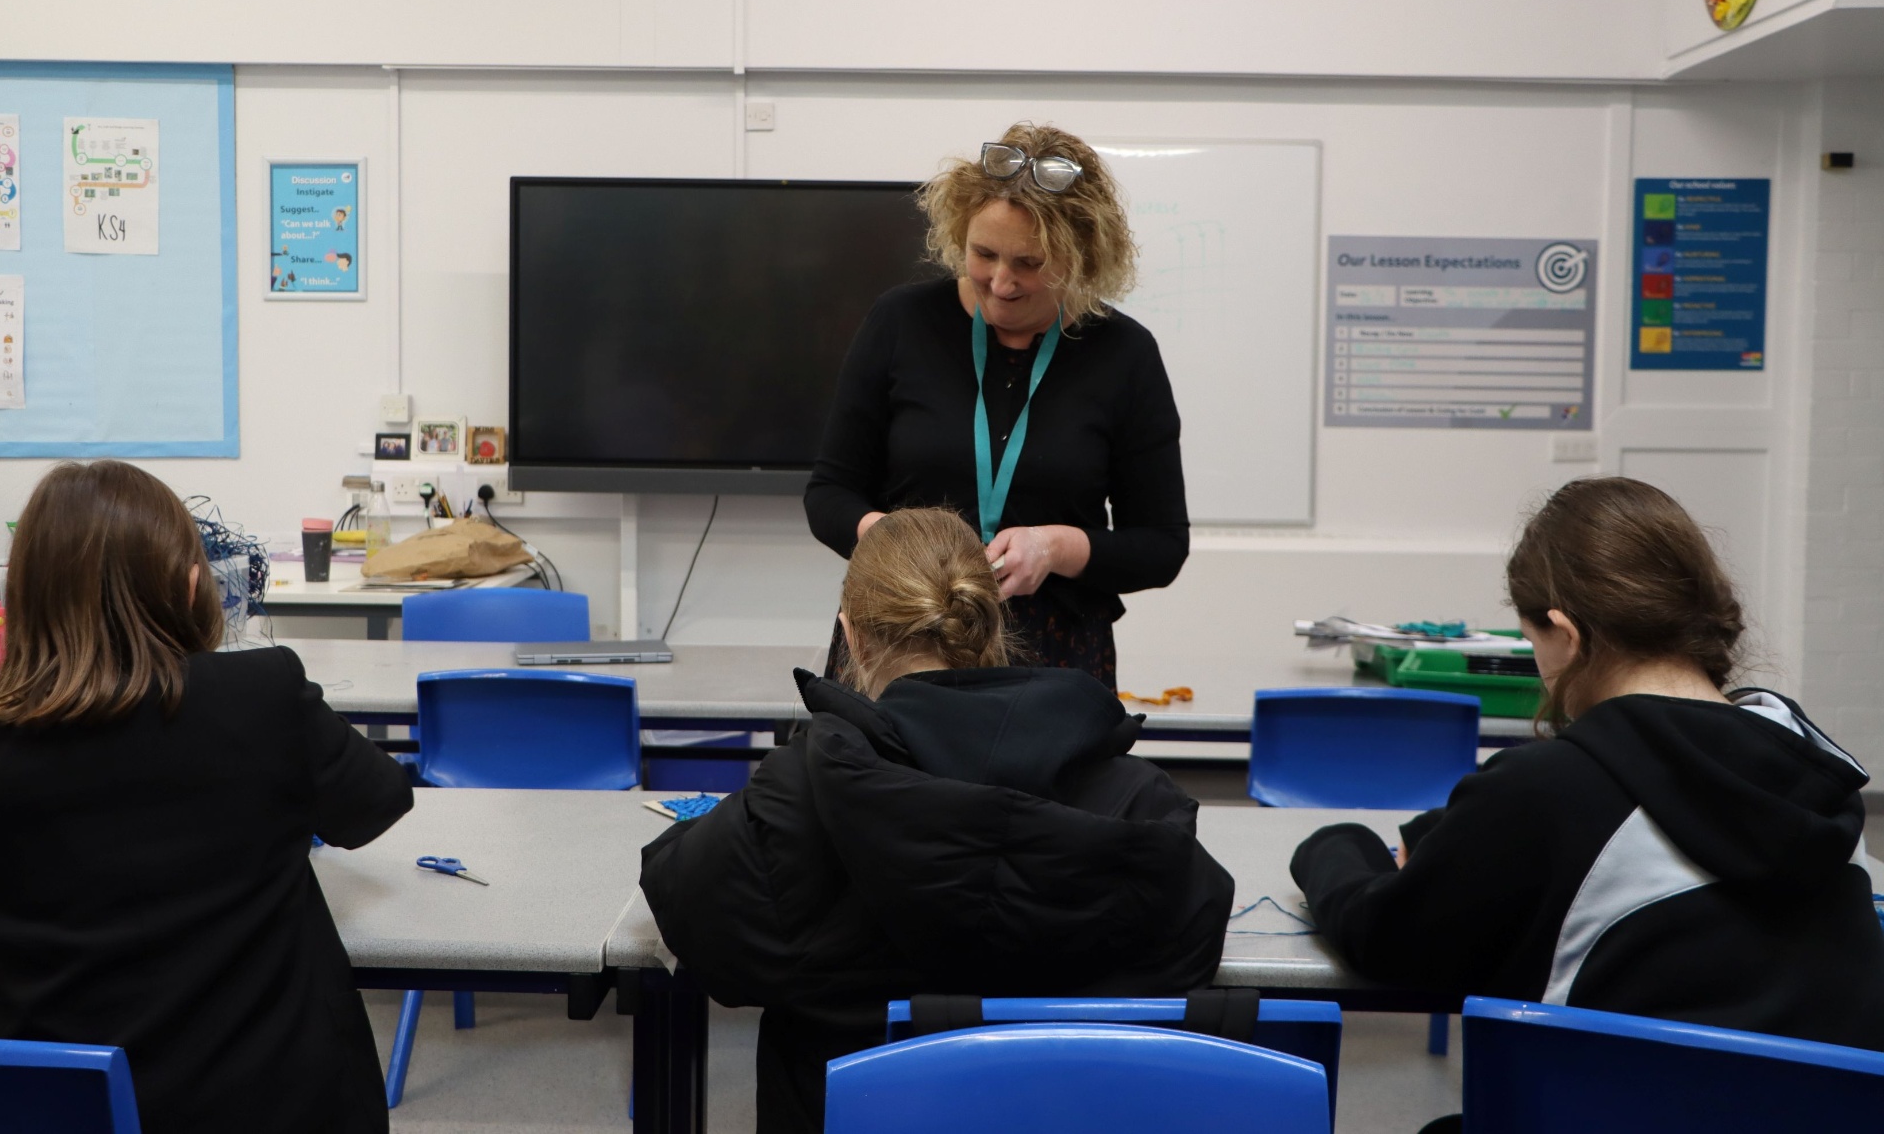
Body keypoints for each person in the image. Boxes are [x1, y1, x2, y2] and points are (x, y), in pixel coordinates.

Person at [641, 507, 1234, 1134]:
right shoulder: (1136, 803)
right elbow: (1191, 946)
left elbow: (690, 910)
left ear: (851, 636)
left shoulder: (797, 799)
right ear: (993, 624)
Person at [0, 461, 413, 1134]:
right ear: (191, 585)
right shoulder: (263, 695)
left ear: (24, 600)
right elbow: (376, 803)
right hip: (280, 1107)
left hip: (63, 1115)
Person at [1289, 476, 1884, 1055]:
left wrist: (1335, 844)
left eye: (1532, 642)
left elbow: (1386, 941)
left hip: (1621, 1104)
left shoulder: (1548, 786)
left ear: (1566, 634)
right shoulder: (1810, 766)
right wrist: (1450, 834)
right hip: (1831, 1104)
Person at [805, 123, 1188, 688]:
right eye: (984, 254)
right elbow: (829, 495)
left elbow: (1161, 546)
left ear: (1081, 256)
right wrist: (893, 542)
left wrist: (1055, 548)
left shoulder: (1124, 354)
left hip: (1051, 665)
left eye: (1030, 263)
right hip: (900, 647)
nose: (1002, 283)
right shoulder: (901, 322)